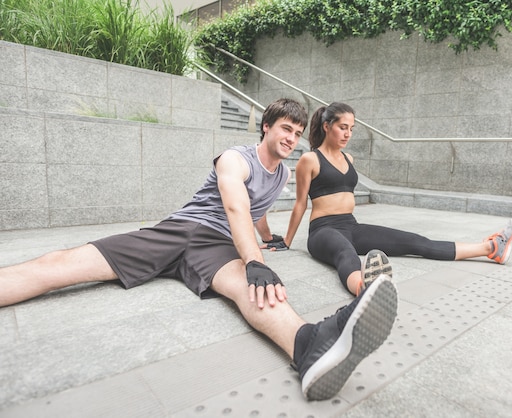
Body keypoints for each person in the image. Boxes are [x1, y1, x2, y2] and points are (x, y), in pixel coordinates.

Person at [0, 98, 398, 402]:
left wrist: (267, 237)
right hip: (181, 231)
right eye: (284, 129)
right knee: (64, 264)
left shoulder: (279, 176)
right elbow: (234, 205)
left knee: (256, 290)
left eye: (296, 132)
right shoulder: (234, 158)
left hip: (218, 247)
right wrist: (255, 260)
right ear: (266, 127)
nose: (291, 139)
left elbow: (254, 212)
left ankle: (309, 345)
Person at [263, 102, 512, 296]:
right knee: (346, 254)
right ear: (327, 126)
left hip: (352, 226)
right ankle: (364, 289)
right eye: (343, 127)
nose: (348, 133)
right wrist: (286, 240)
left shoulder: (349, 159)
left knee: (416, 242)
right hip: (323, 231)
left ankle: (490, 248)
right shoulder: (311, 159)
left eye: (352, 129)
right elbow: (300, 204)